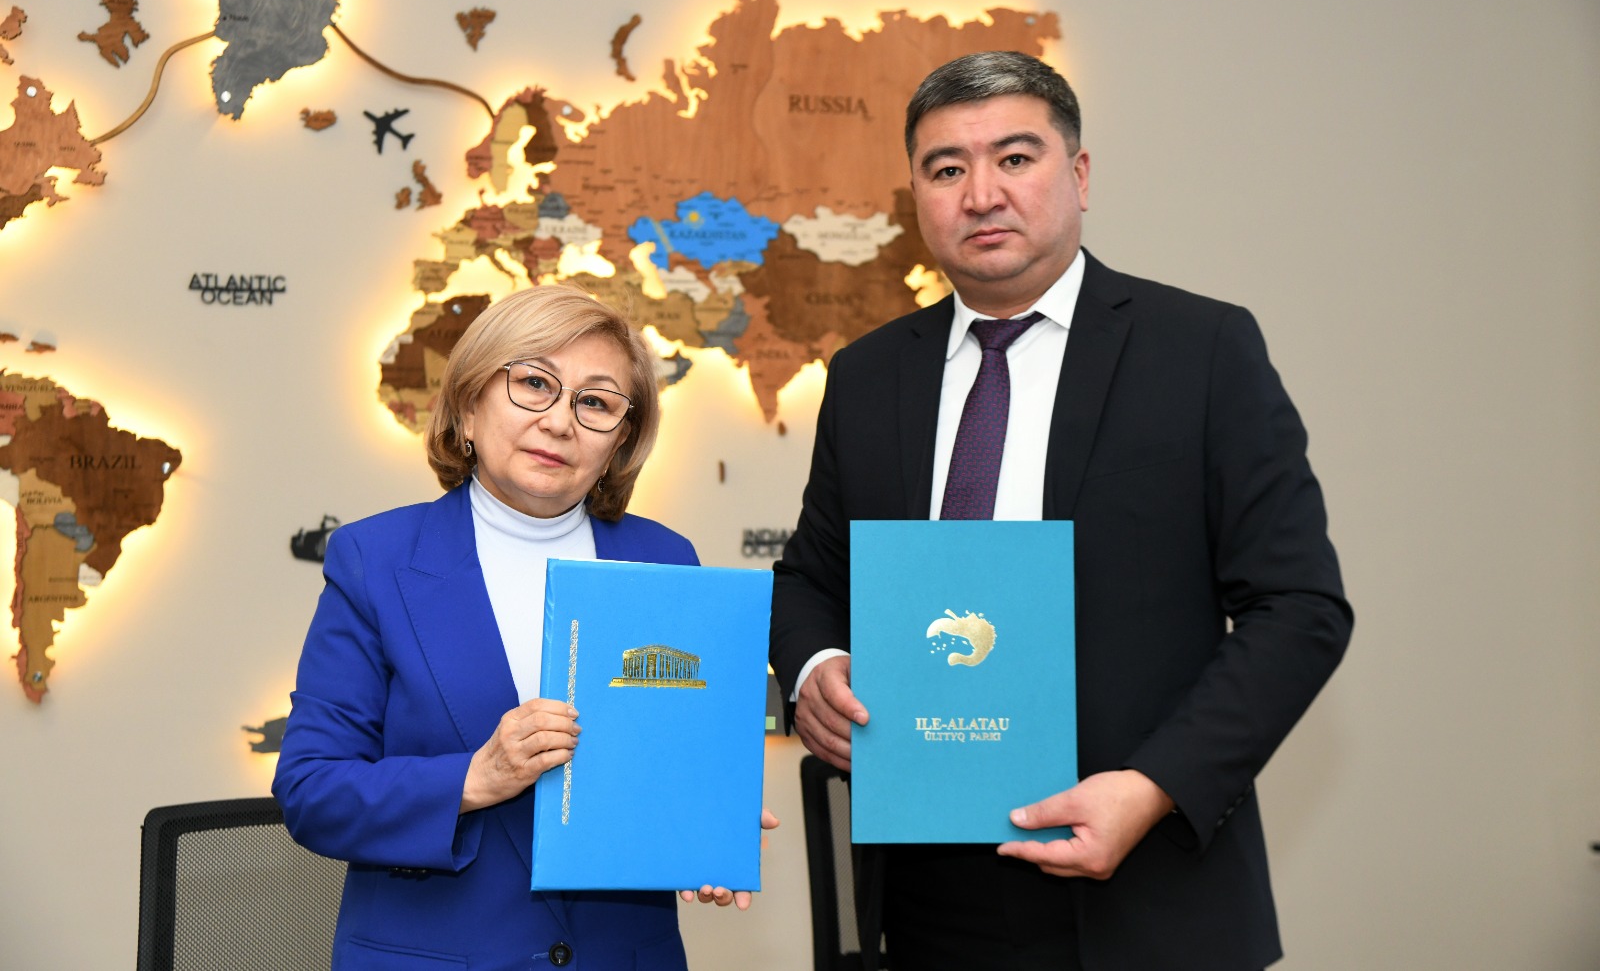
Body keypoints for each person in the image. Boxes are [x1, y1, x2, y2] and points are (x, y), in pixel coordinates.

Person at [769, 51, 1353, 970]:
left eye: (1015, 158)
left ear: (1079, 175)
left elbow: (1299, 607)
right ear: (917, 197)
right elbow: (809, 577)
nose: (981, 194)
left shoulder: (1201, 350)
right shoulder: (867, 375)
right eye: (946, 169)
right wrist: (813, 670)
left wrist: (1153, 786)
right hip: (926, 900)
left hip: (1146, 892)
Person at [274, 285, 768, 971]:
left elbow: (670, 763)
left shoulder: (665, 559)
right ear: (469, 406)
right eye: (534, 383)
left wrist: (702, 829)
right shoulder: (374, 560)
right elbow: (312, 791)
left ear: (620, 440)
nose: (560, 422)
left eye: (596, 403)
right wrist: (475, 777)